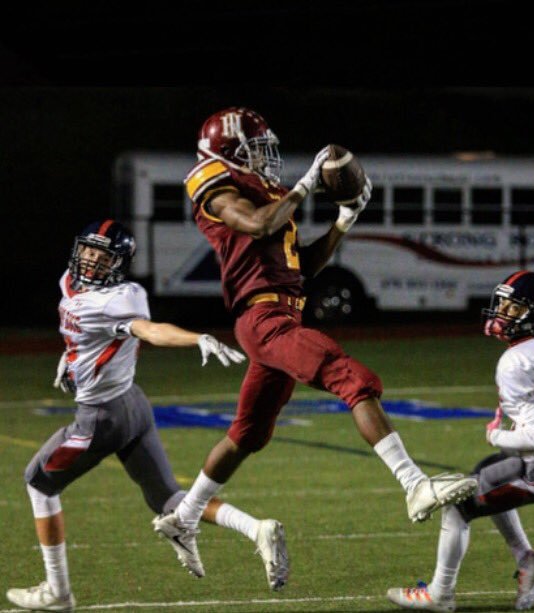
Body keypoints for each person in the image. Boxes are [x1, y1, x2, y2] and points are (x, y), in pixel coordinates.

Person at [152, 106, 478, 578]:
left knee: (248, 434)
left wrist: (344, 220)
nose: (265, 158)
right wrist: (305, 185)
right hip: (263, 318)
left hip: (282, 311)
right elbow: (258, 224)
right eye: (255, 150)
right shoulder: (218, 188)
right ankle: (414, 484)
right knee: (352, 378)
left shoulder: (266, 196)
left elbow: (300, 268)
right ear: (228, 152)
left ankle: (184, 518)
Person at [6, 219, 289, 612]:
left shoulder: (116, 300)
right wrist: (70, 360)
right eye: (88, 250)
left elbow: (151, 330)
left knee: (38, 483)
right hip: (133, 406)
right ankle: (255, 528)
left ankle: (57, 591)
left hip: (100, 419)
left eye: (102, 256)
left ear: (119, 263)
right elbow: (83, 332)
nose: (91, 260)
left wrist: (196, 338)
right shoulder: (70, 282)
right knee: (168, 498)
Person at [387, 270, 534, 612]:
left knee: (457, 506)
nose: (502, 313)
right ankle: (527, 558)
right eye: (501, 304)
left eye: (513, 308)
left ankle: (440, 595)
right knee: (484, 472)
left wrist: (496, 434)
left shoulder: (519, 360)